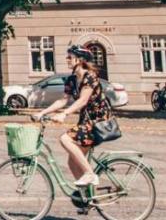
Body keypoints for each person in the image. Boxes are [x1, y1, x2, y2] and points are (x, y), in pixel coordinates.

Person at [33, 44, 115, 189]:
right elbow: (63, 100)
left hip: (98, 121)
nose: (67, 60)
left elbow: (83, 100)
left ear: (80, 59)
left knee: (65, 139)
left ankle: (90, 174)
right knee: (72, 162)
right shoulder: (72, 79)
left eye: (70, 57)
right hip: (86, 121)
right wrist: (42, 113)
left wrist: (64, 114)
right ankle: (88, 196)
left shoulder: (90, 77)